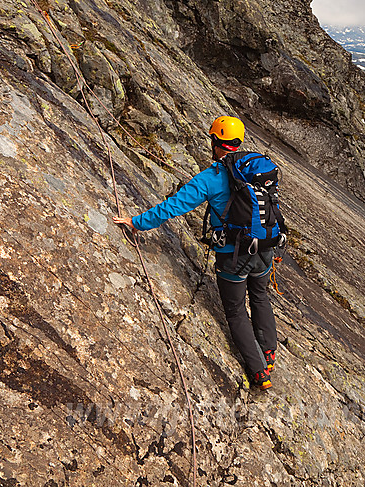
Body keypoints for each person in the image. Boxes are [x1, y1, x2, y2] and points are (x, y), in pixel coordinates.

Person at [113, 116, 278, 390]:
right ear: (238, 142)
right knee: (260, 296)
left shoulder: (210, 178)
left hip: (233, 254)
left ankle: (260, 372)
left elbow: (174, 206)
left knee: (236, 311)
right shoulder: (257, 169)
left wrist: (136, 222)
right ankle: (269, 353)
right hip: (264, 248)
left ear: (215, 142)